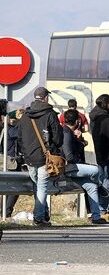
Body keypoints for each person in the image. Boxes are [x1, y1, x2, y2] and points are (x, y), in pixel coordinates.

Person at [16, 87, 63, 226]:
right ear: (46, 98)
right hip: (45, 157)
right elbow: (58, 138)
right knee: (42, 187)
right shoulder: (50, 114)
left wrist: (25, 153)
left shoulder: (25, 115)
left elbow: (19, 138)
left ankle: (43, 213)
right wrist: (53, 148)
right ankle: (38, 218)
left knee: (38, 186)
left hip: (29, 158)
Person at [61, 110, 109, 225]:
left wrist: (79, 141)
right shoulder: (67, 133)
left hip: (73, 168)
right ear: (77, 121)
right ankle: (100, 185)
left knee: (91, 187)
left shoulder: (69, 132)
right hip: (70, 167)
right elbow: (69, 156)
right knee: (96, 169)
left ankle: (96, 217)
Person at [89, 94, 109, 218]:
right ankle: (104, 208)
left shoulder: (94, 115)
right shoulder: (103, 118)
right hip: (106, 153)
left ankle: (101, 208)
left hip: (99, 152)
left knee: (101, 178)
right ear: (106, 104)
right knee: (107, 180)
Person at [0, 109, 25, 218]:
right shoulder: (10, 130)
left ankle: (4, 212)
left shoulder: (6, 129)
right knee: (14, 190)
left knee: (8, 190)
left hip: (8, 162)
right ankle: (6, 212)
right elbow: (20, 134)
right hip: (10, 163)